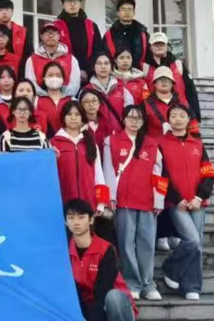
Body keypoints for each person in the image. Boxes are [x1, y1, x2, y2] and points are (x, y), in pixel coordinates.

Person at [65, 199, 139, 321]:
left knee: (113, 297)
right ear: (65, 222)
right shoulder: (64, 251)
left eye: (81, 217)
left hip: (113, 307)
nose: (76, 222)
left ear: (91, 220)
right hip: (87, 307)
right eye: (71, 218)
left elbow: (102, 290)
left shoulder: (106, 249)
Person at [102, 105, 164, 301]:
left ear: (143, 121)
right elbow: (108, 170)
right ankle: (132, 282)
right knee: (126, 244)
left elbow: (158, 172)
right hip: (123, 201)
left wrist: (159, 199)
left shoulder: (151, 143)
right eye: (130, 117)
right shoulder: (111, 141)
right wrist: (111, 196)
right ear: (123, 119)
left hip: (147, 201)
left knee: (147, 244)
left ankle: (148, 283)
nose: (134, 121)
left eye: (138, 118)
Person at [158, 104, 214, 301]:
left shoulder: (197, 144)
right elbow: (161, 175)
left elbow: (209, 174)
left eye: (182, 115)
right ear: (168, 120)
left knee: (197, 244)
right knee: (192, 240)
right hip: (176, 203)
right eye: (173, 115)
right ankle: (170, 268)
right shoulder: (160, 143)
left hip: (198, 202)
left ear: (188, 119)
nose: (177, 119)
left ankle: (191, 286)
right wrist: (176, 199)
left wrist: (200, 197)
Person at [52, 100, 112, 239]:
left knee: (86, 242)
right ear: (63, 118)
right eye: (69, 114)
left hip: (87, 202)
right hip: (64, 203)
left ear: (82, 118)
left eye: (77, 114)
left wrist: (101, 203)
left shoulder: (90, 142)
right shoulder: (54, 144)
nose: (73, 118)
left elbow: (98, 174)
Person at [144, 32, 202, 124]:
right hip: (153, 115)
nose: (159, 46)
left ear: (167, 46)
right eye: (156, 44)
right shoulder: (144, 67)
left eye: (162, 44)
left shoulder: (178, 65)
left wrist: (196, 115)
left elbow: (190, 90)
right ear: (150, 47)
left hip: (179, 113)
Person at [55, 0, 102, 83]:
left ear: (80, 4)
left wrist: (87, 71)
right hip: (63, 74)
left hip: (89, 75)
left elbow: (98, 51)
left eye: (76, 1)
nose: (72, 4)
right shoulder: (55, 27)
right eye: (68, 1)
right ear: (63, 5)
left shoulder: (92, 26)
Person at [25, 22, 79, 95]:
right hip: (40, 98)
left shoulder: (71, 59)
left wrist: (63, 97)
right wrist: (46, 97)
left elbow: (75, 83)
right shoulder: (32, 60)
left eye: (53, 33)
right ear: (41, 37)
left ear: (59, 36)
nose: (50, 36)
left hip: (66, 99)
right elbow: (31, 82)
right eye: (47, 33)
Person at [103, 0, 149, 70]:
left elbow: (148, 54)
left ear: (134, 13)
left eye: (130, 9)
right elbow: (105, 54)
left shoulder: (142, 34)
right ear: (118, 13)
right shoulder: (110, 35)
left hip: (139, 72)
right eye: (123, 9)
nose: (127, 12)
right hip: (116, 73)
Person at [87, 53, 134, 121]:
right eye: (99, 63)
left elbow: (129, 114)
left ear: (111, 67)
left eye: (106, 63)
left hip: (118, 127)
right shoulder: (87, 90)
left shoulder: (122, 89)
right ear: (93, 67)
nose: (103, 67)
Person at [35, 62, 77, 137]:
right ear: (44, 78)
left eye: (58, 75)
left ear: (63, 79)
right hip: (44, 141)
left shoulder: (72, 100)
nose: (54, 78)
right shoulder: (36, 101)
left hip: (68, 140)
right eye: (50, 75)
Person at [143, 66, 178, 140]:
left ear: (172, 84)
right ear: (154, 83)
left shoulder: (182, 103)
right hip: (153, 145)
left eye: (167, 79)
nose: (164, 82)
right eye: (160, 79)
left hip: (177, 144)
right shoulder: (145, 105)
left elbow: (193, 130)